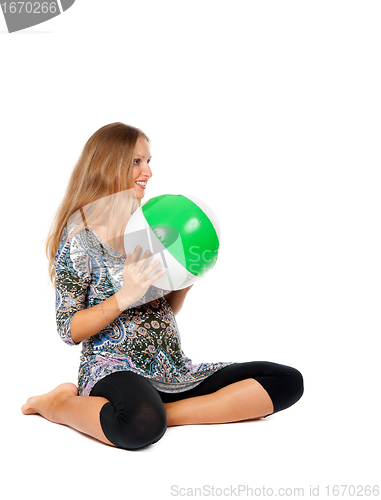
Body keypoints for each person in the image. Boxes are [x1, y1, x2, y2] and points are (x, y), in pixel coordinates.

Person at [21, 122, 304, 450]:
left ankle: (165, 411)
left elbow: (163, 310)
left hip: (171, 367)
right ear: (107, 165)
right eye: (137, 162)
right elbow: (68, 329)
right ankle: (57, 404)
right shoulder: (79, 240)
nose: (148, 172)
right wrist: (125, 295)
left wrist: (184, 281)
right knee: (138, 427)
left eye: (149, 161)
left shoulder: (148, 224)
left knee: (286, 381)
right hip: (111, 368)